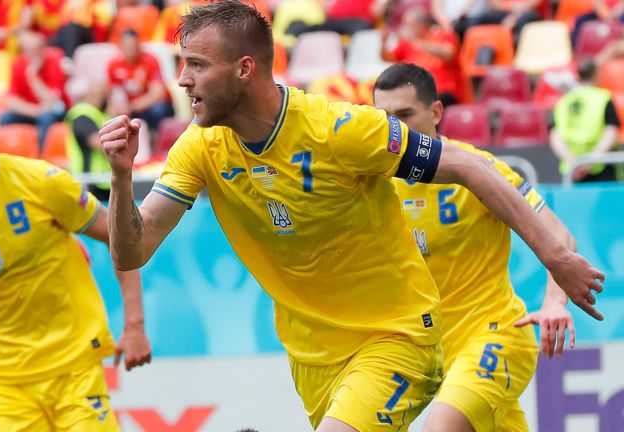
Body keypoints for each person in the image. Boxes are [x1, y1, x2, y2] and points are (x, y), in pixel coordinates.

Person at [99, 2, 605, 431]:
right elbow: (132, 250)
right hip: (313, 355)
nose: (182, 79)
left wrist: (557, 260)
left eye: (196, 64)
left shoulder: (339, 130)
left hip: (399, 337)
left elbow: (469, 165)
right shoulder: (198, 147)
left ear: (244, 68)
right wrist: (122, 181)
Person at [0, 87, 152, 431]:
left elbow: (121, 237)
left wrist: (135, 325)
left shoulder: (41, 181)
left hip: (74, 368)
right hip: (4, 383)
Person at [373, 63, 578, 432]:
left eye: (405, 115)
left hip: (497, 333)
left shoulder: (478, 170)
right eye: (385, 119)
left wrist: (553, 303)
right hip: (432, 356)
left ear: (435, 113)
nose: (397, 130)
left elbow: (559, 237)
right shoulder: (376, 183)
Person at [550, 59, 621, 183]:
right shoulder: (603, 98)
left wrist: (573, 162)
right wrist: (590, 161)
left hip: (572, 171)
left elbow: (555, 136)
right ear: (596, 74)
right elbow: (610, 133)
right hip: (601, 169)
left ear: (578, 75)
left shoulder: (563, 101)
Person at [0, 30, 70, 152]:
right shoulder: (19, 64)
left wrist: (33, 77)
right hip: (36, 110)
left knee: (46, 118)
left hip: (59, 111)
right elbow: (11, 101)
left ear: (43, 48)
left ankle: (43, 155)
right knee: (5, 118)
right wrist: (36, 111)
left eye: (35, 49)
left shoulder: (55, 60)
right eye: (27, 50)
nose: (32, 54)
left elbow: (52, 101)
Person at [384, 6, 462, 105]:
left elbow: (448, 55)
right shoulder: (406, 43)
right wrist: (383, 43)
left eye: (407, 25)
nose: (404, 28)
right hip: (416, 93)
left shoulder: (444, 35)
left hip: (444, 91)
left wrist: (417, 41)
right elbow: (388, 57)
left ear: (420, 25)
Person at [107, 29, 175, 134]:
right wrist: (116, 108)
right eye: (127, 46)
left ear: (139, 44)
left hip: (151, 107)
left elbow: (158, 94)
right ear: (120, 46)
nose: (131, 50)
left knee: (158, 110)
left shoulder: (150, 60)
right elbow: (112, 94)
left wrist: (131, 107)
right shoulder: (114, 64)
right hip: (130, 109)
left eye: (134, 46)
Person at [65, 79, 114, 201]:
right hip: (89, 181)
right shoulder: (82, 115)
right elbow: (99, 144)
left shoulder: (100, 114)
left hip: (104, 180)